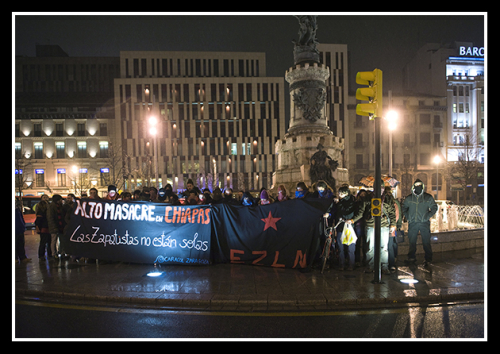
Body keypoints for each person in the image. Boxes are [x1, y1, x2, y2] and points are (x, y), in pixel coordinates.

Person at [356, 182, 396, 274]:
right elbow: (361, 212)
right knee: (370, 247)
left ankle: (384, 266)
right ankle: (370, 266)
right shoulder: (367, 198)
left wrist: (393, 224)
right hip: (370, 225)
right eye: (377, 187)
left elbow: (392, 213)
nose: (380, 189)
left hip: (383, 225)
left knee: (384, 247)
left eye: (381, 187)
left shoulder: (387, 198)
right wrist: (353, 220)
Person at [402, 179, 438, 266]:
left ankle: (428, 259)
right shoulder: (409, 198)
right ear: (413, 186)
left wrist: (427, 216)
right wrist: (408, 216)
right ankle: (411, 257)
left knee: (426, 242)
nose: (418, 187)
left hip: (424, 223)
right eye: (416, 185)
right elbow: (404, 208)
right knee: (412, 241)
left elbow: (434, 208)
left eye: (419, 185)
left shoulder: (427, 197)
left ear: (422, 186)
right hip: (413, 223)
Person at [334, 186, 363, 271]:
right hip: (343, 226)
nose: (339, 195)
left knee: (348, 247)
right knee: (343, 248)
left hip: (348, 227)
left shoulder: (351, 203)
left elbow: (348, 213)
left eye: (341, 193)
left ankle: (347, 264)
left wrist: (350, 220)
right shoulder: (341, 202)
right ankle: (346, 264)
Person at [387, 187, 403, 272]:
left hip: (391, 227)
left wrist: (398, 224)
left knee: (391, 244)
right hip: (393, 227)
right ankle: (392, 261)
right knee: (392, 244)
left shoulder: (394, 202)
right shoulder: (394, 202)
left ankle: (392, 262)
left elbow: (398, 214)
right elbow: (399, 214)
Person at [47, 194, 66, 260]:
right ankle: (54, 254)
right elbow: (50, 218)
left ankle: (61, 252)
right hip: (55, 226)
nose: (61, 201)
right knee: (54, 240)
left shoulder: (60, 206)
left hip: (60, 225)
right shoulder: (52, 207)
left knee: (61, 240)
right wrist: (53, 226)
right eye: (60, 199)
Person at [35, 194, 51, 261]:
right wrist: (38, 227)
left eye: (46, 197)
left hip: (48, 226)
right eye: (44, 197)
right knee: (44, 242)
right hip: (44, 227)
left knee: (48, 242)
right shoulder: (40, 207)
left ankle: (46, 254)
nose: (45, 198)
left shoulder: (49, 205)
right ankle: (42, 255)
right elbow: (38, 219)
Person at [15, 198, 31, 263]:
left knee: (20, 244)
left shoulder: (17, 209)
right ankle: (15, 258)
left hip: (20, 229)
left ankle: (22, 257)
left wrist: (23, 225)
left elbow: (21, 218)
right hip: (15, 229)